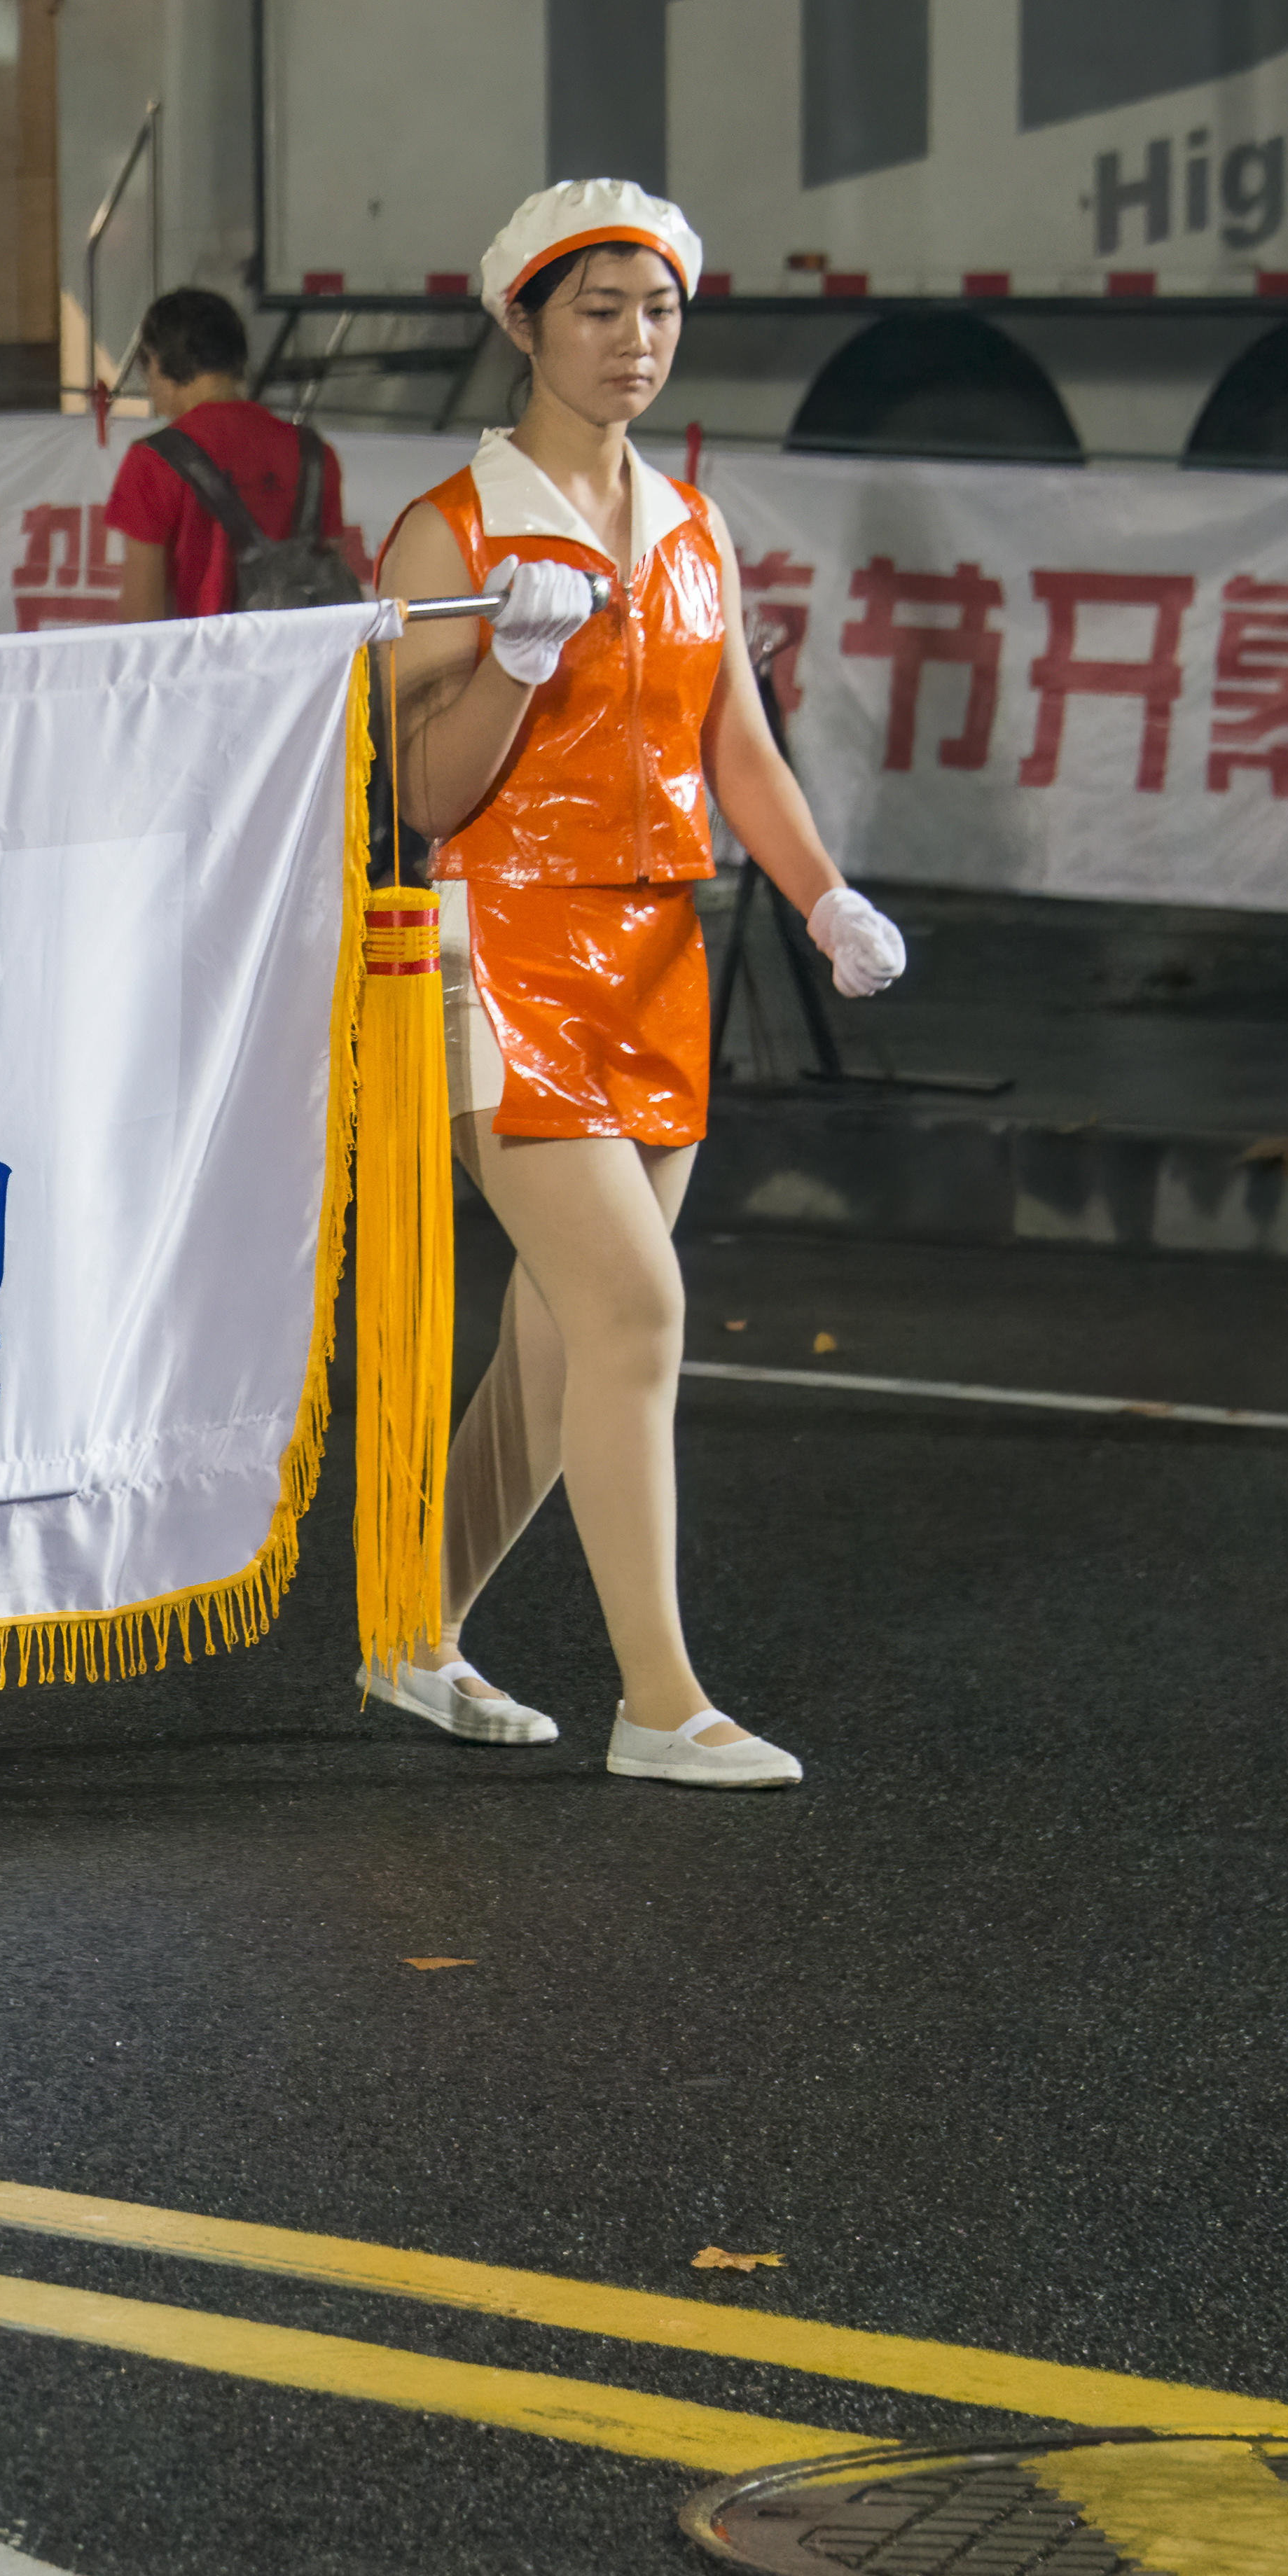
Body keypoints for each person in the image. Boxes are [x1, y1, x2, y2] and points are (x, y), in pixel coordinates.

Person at [363, 179, 906, 1790]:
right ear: (521, 323)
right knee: (635, 1310)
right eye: (593, 307)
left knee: (555, 1347)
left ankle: (408, 1624)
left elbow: (731, 739)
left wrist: (824, 896)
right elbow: (423, 795)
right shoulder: (446, 530)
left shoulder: (688, 523)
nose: (630, 339)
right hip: (499, 945)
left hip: (657, 954)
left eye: (655, 308)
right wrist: (511, 670)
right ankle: (659, 1698)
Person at [106, 286, 361, 620]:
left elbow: (142, 616)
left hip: (200, 667)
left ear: (158, 361)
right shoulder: (315, 454)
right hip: (297, 666)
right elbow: (330, 581)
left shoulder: (151, 462)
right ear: (238, 361)